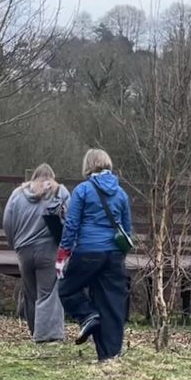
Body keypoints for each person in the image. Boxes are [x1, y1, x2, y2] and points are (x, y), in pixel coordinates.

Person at [57, 148, 132, 361]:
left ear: (88, 165)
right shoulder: (121, 193)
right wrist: (120, 255)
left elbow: (71, 224)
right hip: (114, 255)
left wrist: (63, 254)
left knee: (66, 289)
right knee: (111, 304)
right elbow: (127, 228)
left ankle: (87, 315)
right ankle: (109, 355)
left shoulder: (82, 190)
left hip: (88, 251)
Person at [3, 163, 71, 343]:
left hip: (24, 251)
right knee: (48, 293)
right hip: (49, 250)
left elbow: (7, 223)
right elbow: (71, 221)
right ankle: (47, 336)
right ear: (52, 177)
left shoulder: (17, 195)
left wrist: (15, 244)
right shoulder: (60, 192)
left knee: (31, 293)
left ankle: (34, 330)